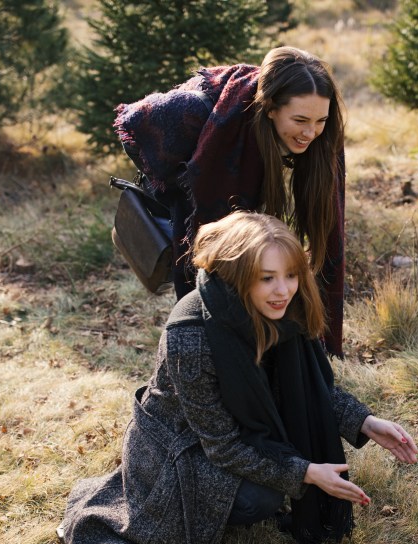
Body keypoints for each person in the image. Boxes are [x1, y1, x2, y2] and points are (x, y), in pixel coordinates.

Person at [58, 212, 418, 544]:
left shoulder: (284, 311)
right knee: (260, 498)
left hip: (238, 428)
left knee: (282, 462)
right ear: (237, 273)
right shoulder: (192, 336)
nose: (283, 290)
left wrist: (366, 422)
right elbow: (222, 446)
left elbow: (308, 391)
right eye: (267, 278)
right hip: (178, 447)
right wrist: (307, 472)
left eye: (291, 275)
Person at [115, 46, 349, 357]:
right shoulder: (200, 113)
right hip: (202, 180)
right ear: (270, 109)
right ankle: (205, 352)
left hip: (233, 161)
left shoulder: (323, 133)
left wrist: (325, 343)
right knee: (217, 261)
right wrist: (178, 188)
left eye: (320, 120)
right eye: (300, 119)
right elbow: (134, 121)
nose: (311, 132)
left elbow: (329, 235)